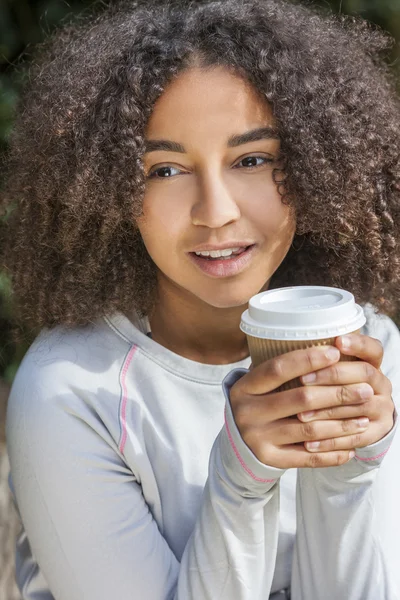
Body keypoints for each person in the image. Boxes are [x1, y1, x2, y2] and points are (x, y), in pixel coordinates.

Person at [2, 0, 400, 598]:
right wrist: (242, 479)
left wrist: (351, 471)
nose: (215, 212)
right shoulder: (71, 391)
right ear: (105, 188)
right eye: (163, 170)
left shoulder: (370, 351)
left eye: (252, 159)